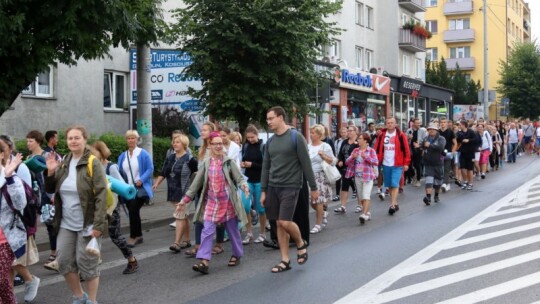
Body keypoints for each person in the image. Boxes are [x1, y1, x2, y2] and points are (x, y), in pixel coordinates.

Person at [44, 125, 108, 304]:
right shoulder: (64, 161)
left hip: (87, 222)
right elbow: (50, 189)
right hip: (66, 222)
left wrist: (98, 225)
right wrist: (50, 172)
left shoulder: (92, 162)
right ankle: (79, 297)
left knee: (87, 264)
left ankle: (92, 301)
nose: (73, 141)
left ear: (84, 140)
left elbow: (101, 195)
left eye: (77, 138)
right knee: (64, 261)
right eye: (70, 138)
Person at [177, 132, 249, 275]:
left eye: (220, 143)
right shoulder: (206, 163)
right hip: (211, 203)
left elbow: (239, 178)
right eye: (215, 143)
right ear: (209, 145)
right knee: (207, 231)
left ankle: (237, 254)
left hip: (228, 203)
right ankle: (204, 261)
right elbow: (195, 185)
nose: (218, 146)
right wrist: (184, 201)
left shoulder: (229, 162)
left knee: (233, 231)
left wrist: (244, 186)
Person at [261, 106, 318, 273]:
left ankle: (301, 243)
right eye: (267, 119)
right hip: (273, 187)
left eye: (271, 118)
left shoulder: (296, 137)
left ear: (280, 117)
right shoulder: (270, 141)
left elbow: (306, 164)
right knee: (278, 224)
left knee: (284, 221)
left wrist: (313, 187)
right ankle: (285, 260)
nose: (268, 122)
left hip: (291, 186)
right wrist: (263, 190)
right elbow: (266, 167)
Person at [92, 141, 139, 274]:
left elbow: (123, 187)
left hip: (111, 207)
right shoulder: (91, 167)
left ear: (101, 153)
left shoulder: (110, 167)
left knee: (115, 236)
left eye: (94, 153)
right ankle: (90, 268)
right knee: (92, 235)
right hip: (96, 207)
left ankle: (132, 260)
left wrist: (108, 185)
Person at [152, 134, 198, 253]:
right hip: (173, 191)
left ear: (184, 144)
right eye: (174, 142)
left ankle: (176, 243)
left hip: (185, 193)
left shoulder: (190, 159)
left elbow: (198, 175)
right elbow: (163, 172)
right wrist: (157, 183)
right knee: (183, 216)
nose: (174, 144)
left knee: (179, 215)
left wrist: (194, 189)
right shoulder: (170, 157)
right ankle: (187, 240)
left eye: (177, 142)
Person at [118, 130, 154, 248]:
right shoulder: (123, 156)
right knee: (133, 212)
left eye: (133, 138)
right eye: (128, 138)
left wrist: (141, 180)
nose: (130, 140)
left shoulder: (143, 154)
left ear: (137, 140)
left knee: (133, 209)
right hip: (127, 189)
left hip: (140, 188)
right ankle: (138, 235)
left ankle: (133, 236)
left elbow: (150, 169)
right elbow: (119, 171)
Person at [0, 146, 25, 304]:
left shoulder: (10, 176)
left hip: (4, 240)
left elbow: (20, 203)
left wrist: (9, 178)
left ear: (2, 154)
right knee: (3, 283)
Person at [375, 117, 411, 215]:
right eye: (388, 123)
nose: (390, 124)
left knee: (395, 184)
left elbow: (406, 150)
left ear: (395, 124)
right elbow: (377, 149)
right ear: (386, 124)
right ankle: (395, 202)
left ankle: (392, 205)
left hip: (397, 164)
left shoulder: (400, 135)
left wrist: (406, 163)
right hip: (385, 164)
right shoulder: (382, 135)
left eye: (392, 123)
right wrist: (376, 160)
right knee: (390, 185)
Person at [240, 125, 267, 244]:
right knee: (245, 206)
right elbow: (243, 158)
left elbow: (266, 165)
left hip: (260, 180)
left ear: (257, 135)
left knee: (261, 208)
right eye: (248, 137)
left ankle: (262, 233)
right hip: (248, 180)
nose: (250, 139)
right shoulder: (245, 146)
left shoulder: (263, 146)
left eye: (252, 137)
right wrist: (243, 164)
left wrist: (252, 165)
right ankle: (249, 233)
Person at [307, 125, 336, 234]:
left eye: (313, 133)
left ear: (319, 135)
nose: (311, 135)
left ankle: (318, 224)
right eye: (310, 132)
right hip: (310, 176)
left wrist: (324, 156)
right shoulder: (308, 146)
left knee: (318, 201)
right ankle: (323, 213)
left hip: (321, 176)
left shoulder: (325, 146)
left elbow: (333, 161)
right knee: (312, 202)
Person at [345, 133, 378, 224]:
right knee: (361, 197)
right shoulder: (355, 150)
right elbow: (347, 162)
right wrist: (352, 157)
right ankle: (367, 212)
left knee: (366, 195)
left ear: (365, 141)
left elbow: (376, 162)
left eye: (360, 138)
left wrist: (366, 157)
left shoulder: (371, 151)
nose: (358, 140)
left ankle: (363, 214)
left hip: (368, 176)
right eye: (358, 138)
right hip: (357, 176)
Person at [334, 125, 359, 214]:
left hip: (356, 168)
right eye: (348, 131)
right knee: (344, 187)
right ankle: (343, 206)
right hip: (345, 167)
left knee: (358, 187)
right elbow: (340, 153)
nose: (348, 132)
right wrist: (340, 160)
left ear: (355, 132)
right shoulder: (345, 142)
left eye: (350, 131)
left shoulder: (358, 142)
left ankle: (359, 205)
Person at [420, 123, 446, 205]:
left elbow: (440, 148)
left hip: (438, 163)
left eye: (433, 129)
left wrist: (430, 145)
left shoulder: (441, 139)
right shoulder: (425, 138)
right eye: (429, 129)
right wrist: (420, 146)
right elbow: (423, 147)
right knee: (429, 180)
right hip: (428, 163)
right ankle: (428, 197)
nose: (431, 130)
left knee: (437, 182)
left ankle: (436, 195)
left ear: (436, 130)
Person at [456, 120, 478, 190]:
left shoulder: (471, 132)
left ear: (464, 125)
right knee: (462, 168)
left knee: (470, 169)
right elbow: (457, 141)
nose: (459, 126)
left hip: (470, 152)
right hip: (462, 152)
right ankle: (465, 181)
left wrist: (468, 140)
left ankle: (470, 183)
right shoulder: (459, 133)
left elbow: (475, 139)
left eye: (460, 125)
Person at [406, 118, 427, 187]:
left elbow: (425, 141)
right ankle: (413, 175)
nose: (418, 124)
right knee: (409, 165)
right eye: (417, 123)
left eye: (419, 123)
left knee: (417, 165)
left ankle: (418, 180)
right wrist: (408, 138)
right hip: (410, 149)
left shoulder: (422, 131)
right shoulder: (409, 131)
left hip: (419, 149)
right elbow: (405, 141)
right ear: (413, 123)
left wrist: (420, 146)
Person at [439, 118, 457, 192]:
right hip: (439, 153)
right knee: (440, 169)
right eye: (442, 122)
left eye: (444, 122)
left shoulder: (450, 132)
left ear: (447, 123)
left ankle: (444, 184)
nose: (443, 124)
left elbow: (455, 143)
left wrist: (452, 151)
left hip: (448, 153)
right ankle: (447, 183)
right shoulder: (438, 132)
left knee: (446, 169)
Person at [332, 127, 347, 202]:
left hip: (346, 162)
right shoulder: (337, 141)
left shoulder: (348, 141)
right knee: (338, 178)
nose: (343, 134)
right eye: (342, 132)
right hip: (338, 161)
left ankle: (354, 190)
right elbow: (335, 152)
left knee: (346, 178)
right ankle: (337, 194)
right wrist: (336, 160)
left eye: (345, 132)